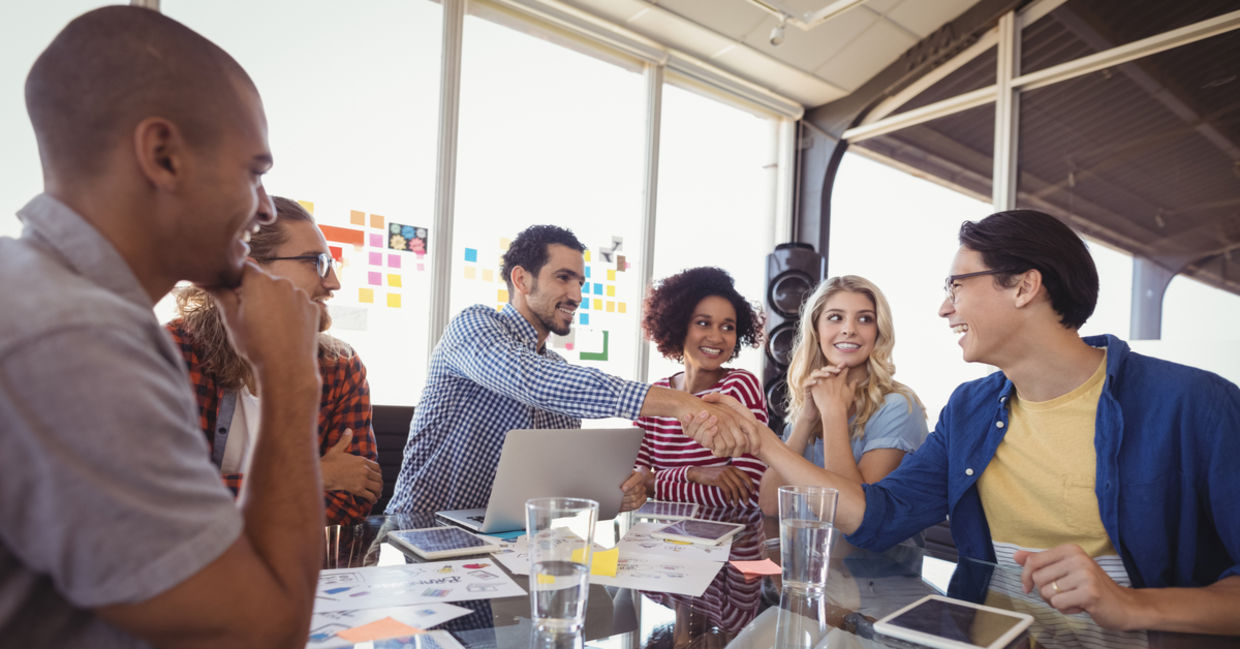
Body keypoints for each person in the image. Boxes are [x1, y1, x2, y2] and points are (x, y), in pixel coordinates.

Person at [687, 210, 1240, 634]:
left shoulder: (1196, 404)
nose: (944, 308)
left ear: (1024, 286)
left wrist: (1133, 605)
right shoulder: (970, 409)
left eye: (956, 286)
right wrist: (762, 440)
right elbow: (877, 517)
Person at [1, 7, 325, 647]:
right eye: (254, 172)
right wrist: (290, 375)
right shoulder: (76, 340)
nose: (265, 208)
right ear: (163, 155)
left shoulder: (48, 298)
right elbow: (263, 637)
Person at [385, 225, 758, 515]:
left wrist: (618, 494)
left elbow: (557, 490)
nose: (577, 295)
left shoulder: (557, 369)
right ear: (521, 279)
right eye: (563, 278)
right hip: (418, 531)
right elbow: (534, 381)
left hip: (503, 545)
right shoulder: (473, 327)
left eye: (580, 282)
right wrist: (681, 404)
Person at [167, 196, 381, 525]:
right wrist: (315, 476)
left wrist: (226, 493)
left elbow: (354, 500)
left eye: (331, 264)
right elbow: (167, 500)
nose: (333, 283)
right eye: (316, 262)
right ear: (248, 270)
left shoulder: (341, 367)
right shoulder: (171, 353)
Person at [758, 275, 927, 513]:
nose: (849, 330)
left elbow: (856, 515)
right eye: (835, 317)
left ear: (878, 331)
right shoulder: (809, 406)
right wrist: (805, 420)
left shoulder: (898, 407)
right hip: (807, 540)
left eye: (865, 319)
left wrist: (833, 414)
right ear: (816, 329)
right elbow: (769, 506)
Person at [634, 267, 768, 508]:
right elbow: (632, 481)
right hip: (660, 532)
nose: (716, 337)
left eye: (727, 327)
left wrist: (654, 482)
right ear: (679, 326)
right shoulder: (656, 395)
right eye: (703, 323)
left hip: (730, 532)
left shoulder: (739, 387)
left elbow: (746, 494)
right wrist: (693, 473)